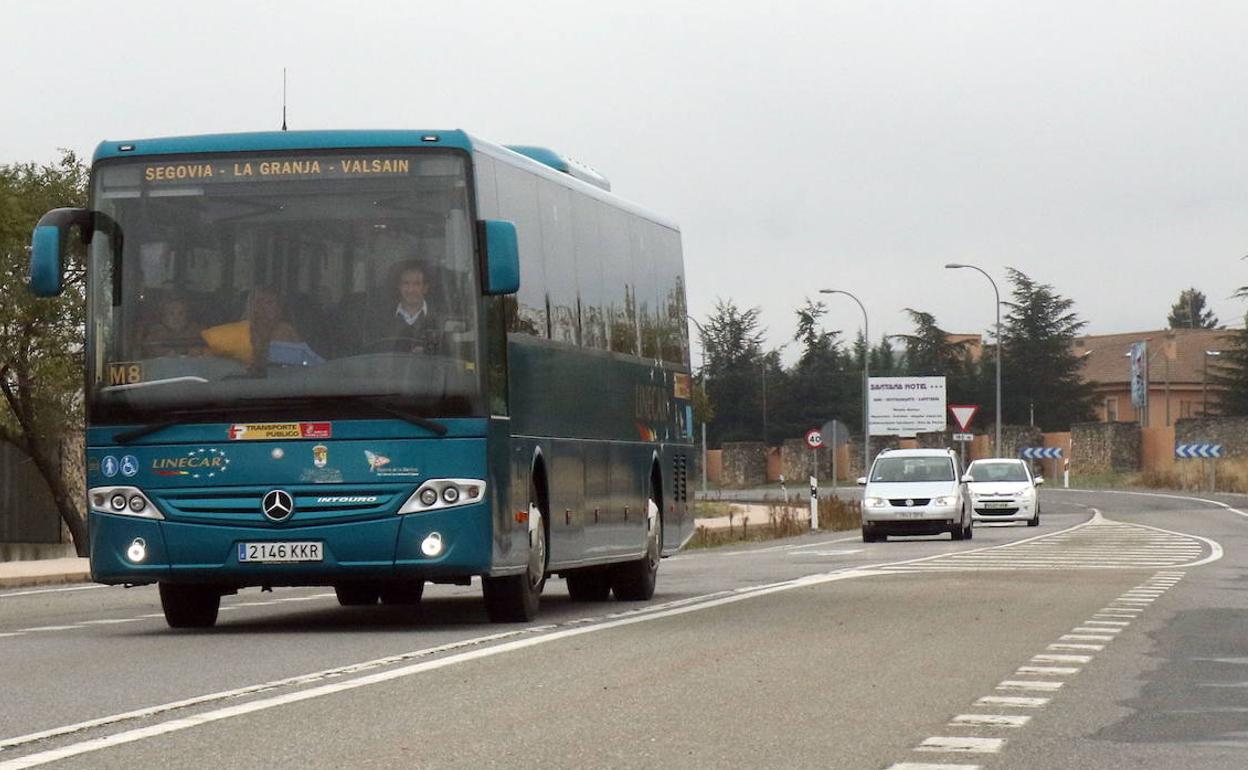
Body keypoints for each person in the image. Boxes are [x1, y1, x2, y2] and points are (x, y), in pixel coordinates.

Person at [365, 260, 441, 353]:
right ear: (399, 286)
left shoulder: (440, 320)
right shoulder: (381, 319)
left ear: (425, 288)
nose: (410, 290)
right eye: (406, 283)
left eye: (416, 284)